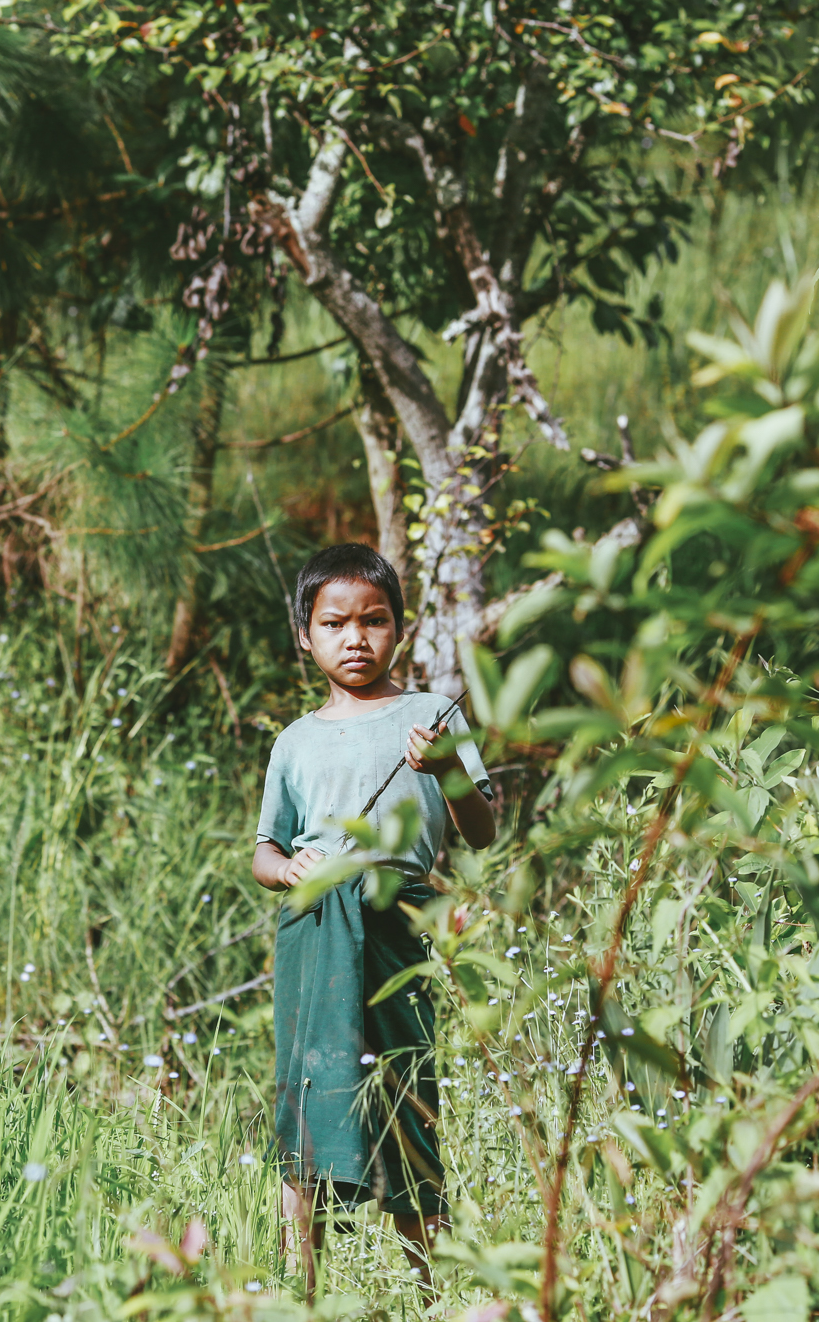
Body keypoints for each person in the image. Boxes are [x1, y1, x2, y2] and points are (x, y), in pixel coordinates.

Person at [252, 543, 497, 1298]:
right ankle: (304, 1288)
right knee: (312, 1090)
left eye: (375, 620)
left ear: (401, 627)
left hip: (399, 918)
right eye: (335, 622)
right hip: (315, 924)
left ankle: (431, 1290)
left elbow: (481, 830)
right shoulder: (292, 740)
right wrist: (286, 868)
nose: (355, 637)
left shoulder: (430, 715)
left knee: (406, 1090)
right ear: (305, 634)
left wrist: (448, 768)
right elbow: (265, 849)